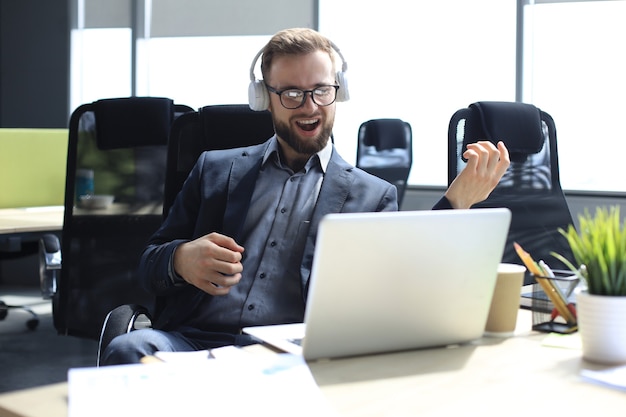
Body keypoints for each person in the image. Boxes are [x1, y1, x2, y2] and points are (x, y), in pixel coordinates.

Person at [101, 28, 509, 365]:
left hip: (293, 357)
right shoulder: (214, 169)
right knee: (127, 349)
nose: (308, 106)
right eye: (291, 93)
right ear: (264, 98)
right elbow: (147, 266)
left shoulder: (372, 196)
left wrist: (457, 203)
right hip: (193, 345)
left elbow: (401, 290)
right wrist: (180, 259)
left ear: (339, 91)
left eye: (320, 91)